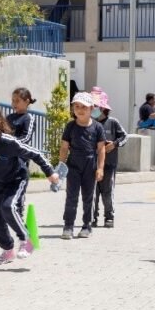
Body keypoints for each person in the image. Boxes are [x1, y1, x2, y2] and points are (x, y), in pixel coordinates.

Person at [0, 100, 59, 264]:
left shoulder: (8, 142)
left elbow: (34, 153)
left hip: (15, 180)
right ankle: (8, 251)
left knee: (8, 207)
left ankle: (27, 239)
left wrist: (50, 172)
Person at [0, 88, 37, 218]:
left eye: (17, 101)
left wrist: (11, 145)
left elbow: (26, 138)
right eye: (13, 100)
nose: (14, 103)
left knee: (17, 185)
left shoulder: (28, 118)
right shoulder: (8, 117)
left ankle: (18, 209)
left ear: (27, 101)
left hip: (19, 159)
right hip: (3, 158)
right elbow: (0, 133)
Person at [59, 92, 106, 239]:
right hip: (73, 164)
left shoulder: (97, 127)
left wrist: (100, 168)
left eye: (83, 107)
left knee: (88, 197)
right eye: (76, 106)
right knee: (71, 196)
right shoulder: (70, 126)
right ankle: (68, 226)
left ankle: (87, 226)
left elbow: (101, 149)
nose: (80, 109)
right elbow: (64, 147)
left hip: (90, 165)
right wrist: (61, 166)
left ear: (91, 108)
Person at [89, 87, 127, 229]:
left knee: (107, 192)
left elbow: (124, 136)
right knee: (93, 192)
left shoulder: (113, 122)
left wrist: (115, 144)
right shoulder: (89, 123)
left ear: (103, 108)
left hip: (109, 164)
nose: (93, 109)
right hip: (92, 164)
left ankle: (109, 216)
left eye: (96, 106)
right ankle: (92, 217)